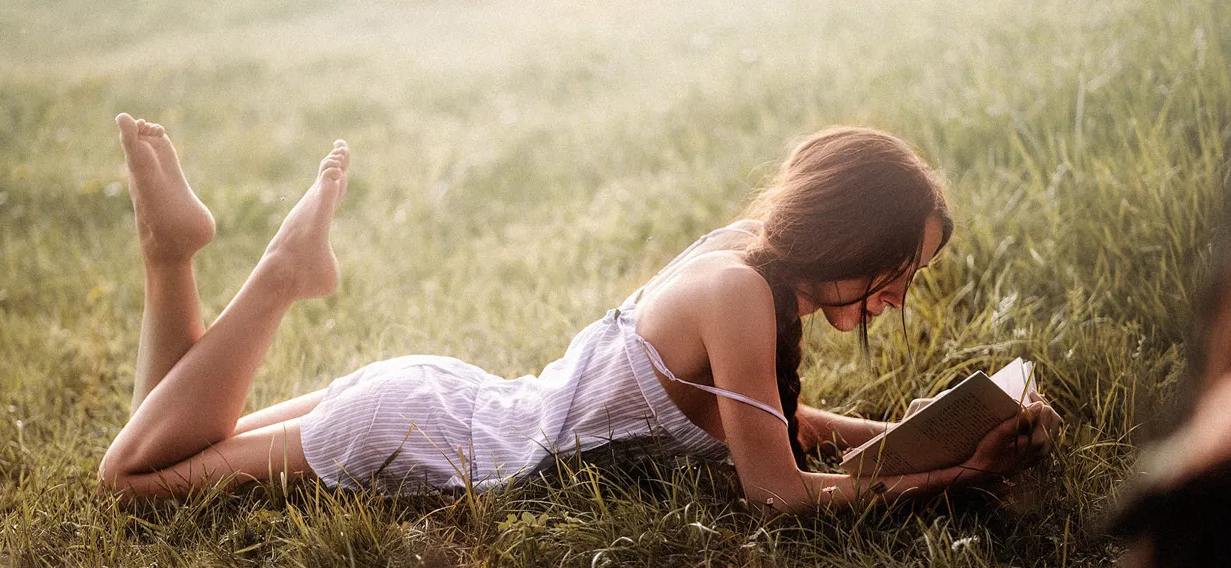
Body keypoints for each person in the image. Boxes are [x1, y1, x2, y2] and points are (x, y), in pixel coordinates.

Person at [97, 116, 1061, 507]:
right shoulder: (738, 296)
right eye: (892, 271)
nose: (895, 300)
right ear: (846, 236)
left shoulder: (742, 259)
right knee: (131, 483)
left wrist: (925, 430)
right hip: (429, 438)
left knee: (171, 436)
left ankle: (167, 256)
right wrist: (954, 475)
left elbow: (771, 421)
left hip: (435, 402)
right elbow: (781, 496)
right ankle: (278, 275)